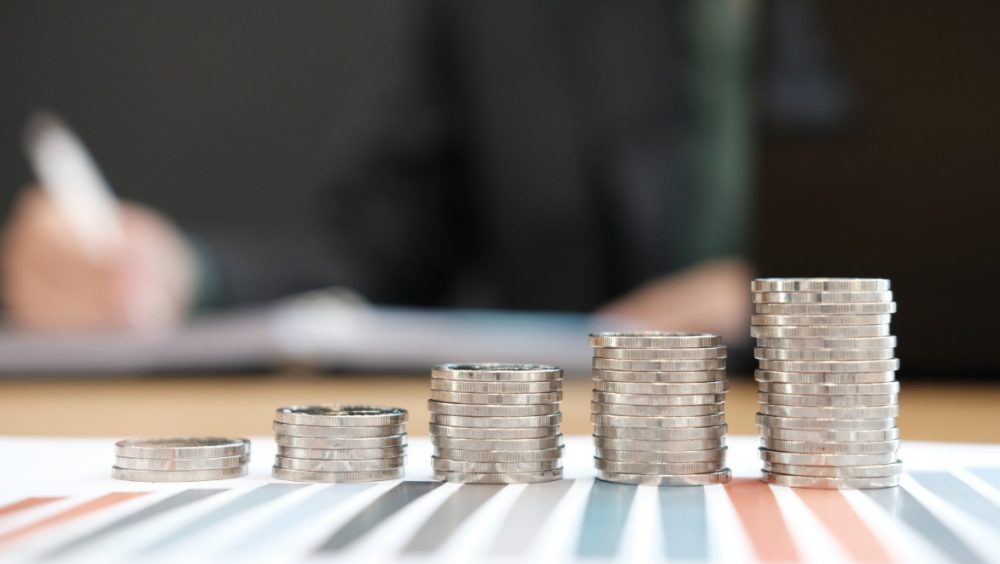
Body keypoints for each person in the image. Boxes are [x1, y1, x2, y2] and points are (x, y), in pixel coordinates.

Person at [1, 1, 766, 345]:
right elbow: (376, 254)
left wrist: (782, 293)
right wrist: (181, 274)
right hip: (571, 459)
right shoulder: (504, 15)